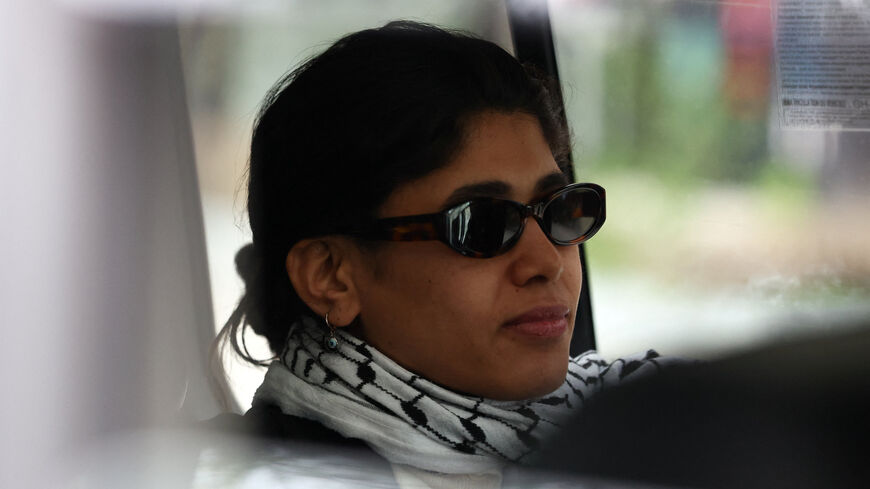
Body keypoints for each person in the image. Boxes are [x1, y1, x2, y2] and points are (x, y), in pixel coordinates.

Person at [210, 20, 666, 488]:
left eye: (561, 211)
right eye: (483, 224)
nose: (547, 262)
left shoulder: (664, 427)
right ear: (332, 277)